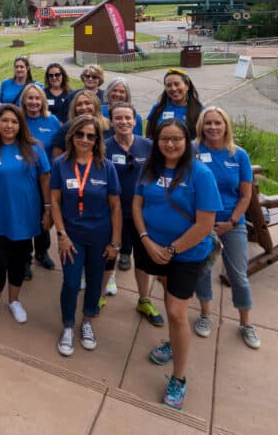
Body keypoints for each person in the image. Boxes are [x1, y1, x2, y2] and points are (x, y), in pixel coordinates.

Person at [135, 119, 222, 411]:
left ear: (187, 142)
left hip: (186, 254)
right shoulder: (150, 168)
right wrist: (146, 240)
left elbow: (205, 224)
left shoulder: (200, 173)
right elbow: (136, 204)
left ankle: (178, 378)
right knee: (166, 291)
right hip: (154, 247)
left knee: (175, 312)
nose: (169, 145)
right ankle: (174, 343)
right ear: (156, 142)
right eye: (164, 139)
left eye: (176, 139)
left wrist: (171, 250)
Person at [0, 104, 52, 325]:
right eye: (5, 120)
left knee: (19, 261)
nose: (9, 125)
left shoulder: (35, 147)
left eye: (14, 121)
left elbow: (45, 178)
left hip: (26, 217)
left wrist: (48, 209)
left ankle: (14, 301)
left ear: (20, 124)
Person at [50, 114, 122, 356]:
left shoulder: (106, 166)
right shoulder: (61, 163)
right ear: (72, 136)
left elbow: (115, 207)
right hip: (72, 235)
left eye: (90, 136)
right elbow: (55, 202)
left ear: (97, 139)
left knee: (94, 281)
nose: (84, 139)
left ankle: (88, 321)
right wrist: (61, 234)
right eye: (80, 134)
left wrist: (115, 242)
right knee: (71, 282)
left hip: (100, 236)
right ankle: (68, 325)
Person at [192, 106, 260, 349]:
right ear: (201, 126)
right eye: (208, 123)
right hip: (200, 223)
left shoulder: (239, 155)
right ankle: (205, 314)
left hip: (232, 223)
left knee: (238, 275)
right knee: (202, 271)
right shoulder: (193, 150)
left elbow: (245, 195)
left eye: (217, 123)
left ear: (226, 125)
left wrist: (230, 222)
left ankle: (245, 322)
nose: (212, 127)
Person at [103, 102, 161, 326]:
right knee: (109, 255)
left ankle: (144, 300)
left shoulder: (149, 146)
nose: (123, 122)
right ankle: (98, 296)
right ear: (111, 121)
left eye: (128, 118)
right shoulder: (104, 147)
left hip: (143, 215)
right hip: (113, 213)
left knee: (143, 260)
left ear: (136, 121)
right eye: (118, 118)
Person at [20, 83, 60, 275]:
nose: (34, 102)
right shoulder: (19, 120)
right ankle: (25, 257)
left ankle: (42, 251)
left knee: (46, 213)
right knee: (27, 216)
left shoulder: (52, 121)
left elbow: (60, 150)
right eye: (30, 98)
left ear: (42, 101)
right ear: (24, 100)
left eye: (37, 98)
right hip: (24, 177)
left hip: (46, 177)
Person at [146, 68, 204, 138]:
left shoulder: (199, 110)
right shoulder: (158, 108)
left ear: (187, 86)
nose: (173, 88)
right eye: (168, 85)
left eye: (177, 84)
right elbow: (149, 136)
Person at [50, 90, 106, 159]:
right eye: (79, 104)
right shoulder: (67, 128)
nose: (84, 107)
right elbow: (56, 157)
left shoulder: (108, 126)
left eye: (87, 103)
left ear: (96, 104)